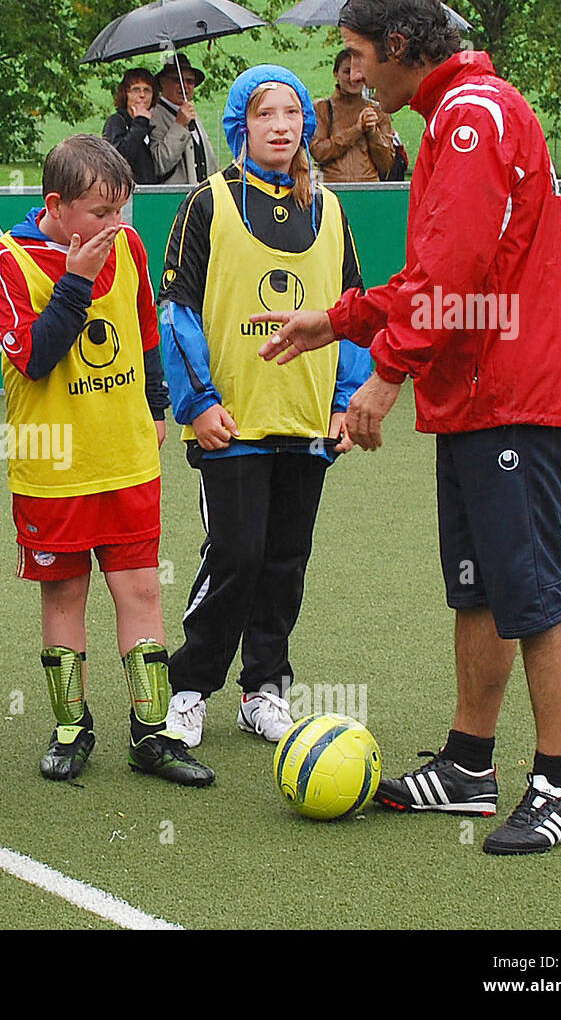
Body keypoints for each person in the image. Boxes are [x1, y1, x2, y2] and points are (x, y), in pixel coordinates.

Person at [255, 0, 561, 856]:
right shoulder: (455, 113)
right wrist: (336, 318)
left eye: (362, 59)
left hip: (512, 394)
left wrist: (384, 377)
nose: (357, 78)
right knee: (480, 587)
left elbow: (457, 276)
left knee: (532, 592)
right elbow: (426, 276)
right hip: (480, 395)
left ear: (401, 51)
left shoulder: (473, 115)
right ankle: (469, 764)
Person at [0, 134, 214, 786]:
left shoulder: (131, 248)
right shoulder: (7, 260)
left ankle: (152, 732)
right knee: (65, 596)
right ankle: (70, 727)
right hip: (52, 469)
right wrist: (77, 280)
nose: (114, 226)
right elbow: (34, 355)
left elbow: (145, 332)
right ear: (56, 205)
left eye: (121, 211)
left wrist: (158, 405)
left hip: (126, 458)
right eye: (99, 213)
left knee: (141, 589)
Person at [157, 65, 370, 749]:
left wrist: (344, 403)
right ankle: (188, 687)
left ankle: (265, 691)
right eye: (264, 114)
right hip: (232, 423)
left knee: (285, 560)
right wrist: (199, 402)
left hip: (309, 422)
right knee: (237, 555)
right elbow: (177, 311)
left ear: (305, 125)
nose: (280, 125)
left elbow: (353, 315)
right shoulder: (207, 203)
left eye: (290, 113)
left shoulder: (330, 209)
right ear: (240, 126)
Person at [310, 49, 397, 183]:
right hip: (332, 188)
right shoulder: (322, 108)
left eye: (357, 71)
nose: (352, 78)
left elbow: (386, 164)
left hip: (368, 188)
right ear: (336, 74)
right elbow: (319, 153)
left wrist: (373, 132)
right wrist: (356, 130)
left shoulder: (377, 110)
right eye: (346, 71)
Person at [150, 54, 218, 185]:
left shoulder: (193, 115)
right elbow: (159, 164)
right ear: (163, 82)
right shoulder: (154, 116)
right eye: (177, 80)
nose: (185, 86)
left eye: (190, 81)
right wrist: (179, 126)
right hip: (173, 199)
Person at [103, 68, 159, 184]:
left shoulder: (151, 124)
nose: (142, 95)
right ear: (125, 93)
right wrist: (140, 123)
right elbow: (118, 158)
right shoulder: (116, 122)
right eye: (136, 90)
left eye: (147, 90)